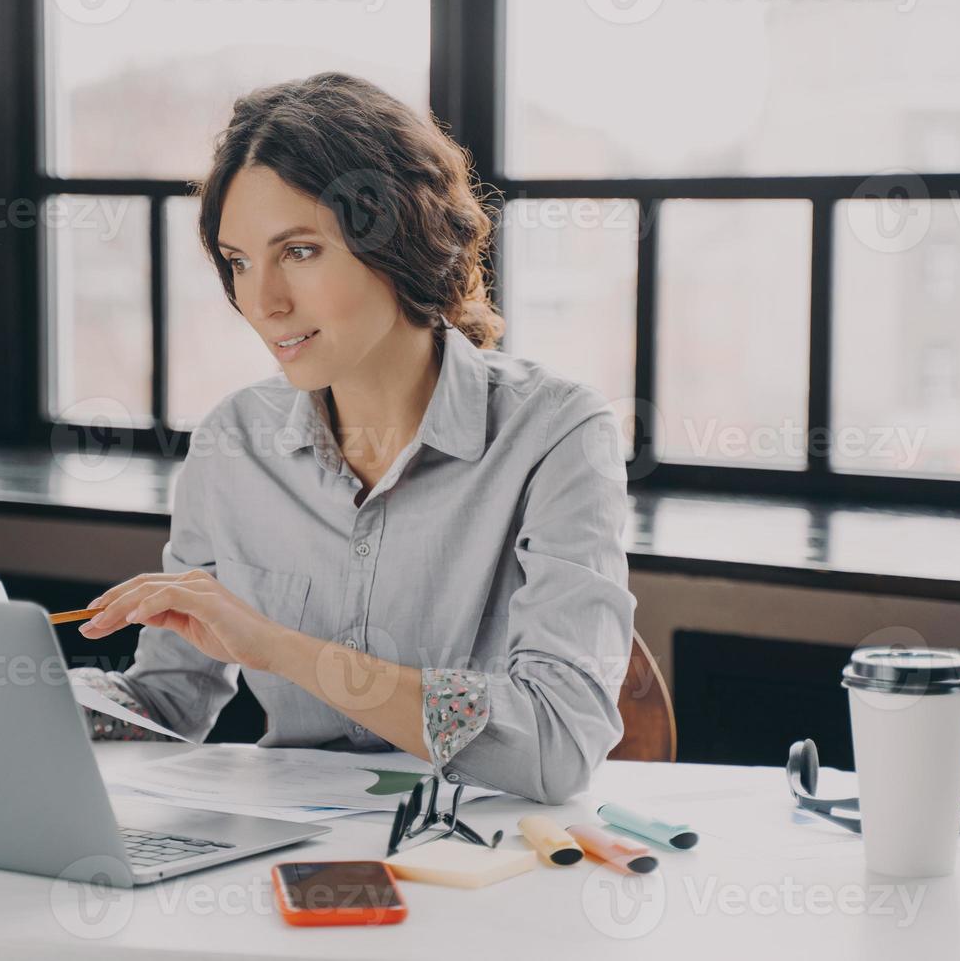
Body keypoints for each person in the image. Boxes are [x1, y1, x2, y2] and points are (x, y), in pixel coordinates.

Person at [71, 72, 634, 805]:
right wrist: (37, 698)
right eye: (240, 263)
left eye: (299, 251)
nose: (263, 302)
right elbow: (168, 705)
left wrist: (280, 649)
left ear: (397, 235)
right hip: (283, 857)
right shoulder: (233, 442)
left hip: (482, 860)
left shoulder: (555, 434)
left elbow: (558, 742)